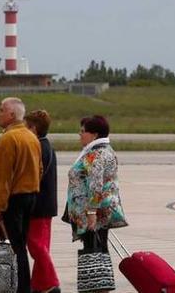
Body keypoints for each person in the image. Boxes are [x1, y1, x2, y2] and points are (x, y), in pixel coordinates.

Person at [65, 115, 127, 289]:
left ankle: (97, 286)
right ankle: (100, 285)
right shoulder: (105, 150)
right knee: (99, 249)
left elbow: (95, 185)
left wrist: (91, 214)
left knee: (95, 250)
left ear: (94, 135)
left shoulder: (95, 154)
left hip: (93, 214)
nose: (79, 134)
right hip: (100, 211)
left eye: (83, 131)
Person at [0, 98, 41, 293]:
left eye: (1, 110)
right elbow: (39, 169)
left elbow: (2, 178)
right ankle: (24, 286)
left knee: (14, 247)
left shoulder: (8, 139)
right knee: (21, 245)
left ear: (11, 115)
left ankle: (19, 287)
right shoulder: (31, 137)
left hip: (13, 199)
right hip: (30, 196)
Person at [24, 110, 60, 293]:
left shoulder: (38, 147)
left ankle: (51, 282)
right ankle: (39, 284)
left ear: (34, 128)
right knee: (41, 246)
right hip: (46, 205)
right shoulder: (46, 146)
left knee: (37, 247)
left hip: (39, 206)